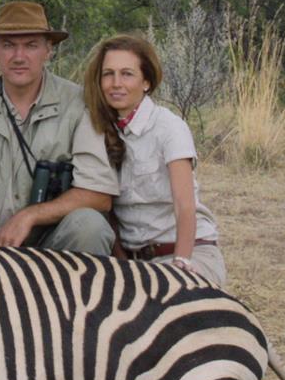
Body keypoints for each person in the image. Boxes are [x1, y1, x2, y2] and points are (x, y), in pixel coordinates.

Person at [0, 1, 118, 253]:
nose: (19, 57)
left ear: (49, 49)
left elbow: (98, 195)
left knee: (90, 226)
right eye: (8, 45)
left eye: (31, 45)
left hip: (48, 249)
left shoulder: (79, 104)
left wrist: (29, 216)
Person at [79, 33, 228, 286]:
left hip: (186, 252)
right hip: (135, 261)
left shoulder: (169, 127)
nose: (116, 83)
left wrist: (181, 263)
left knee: (174, 297)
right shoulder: (98, 129)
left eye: (127, 74)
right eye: (108, 74)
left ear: (146, 81)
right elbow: (109, 211)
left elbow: (185, 206)